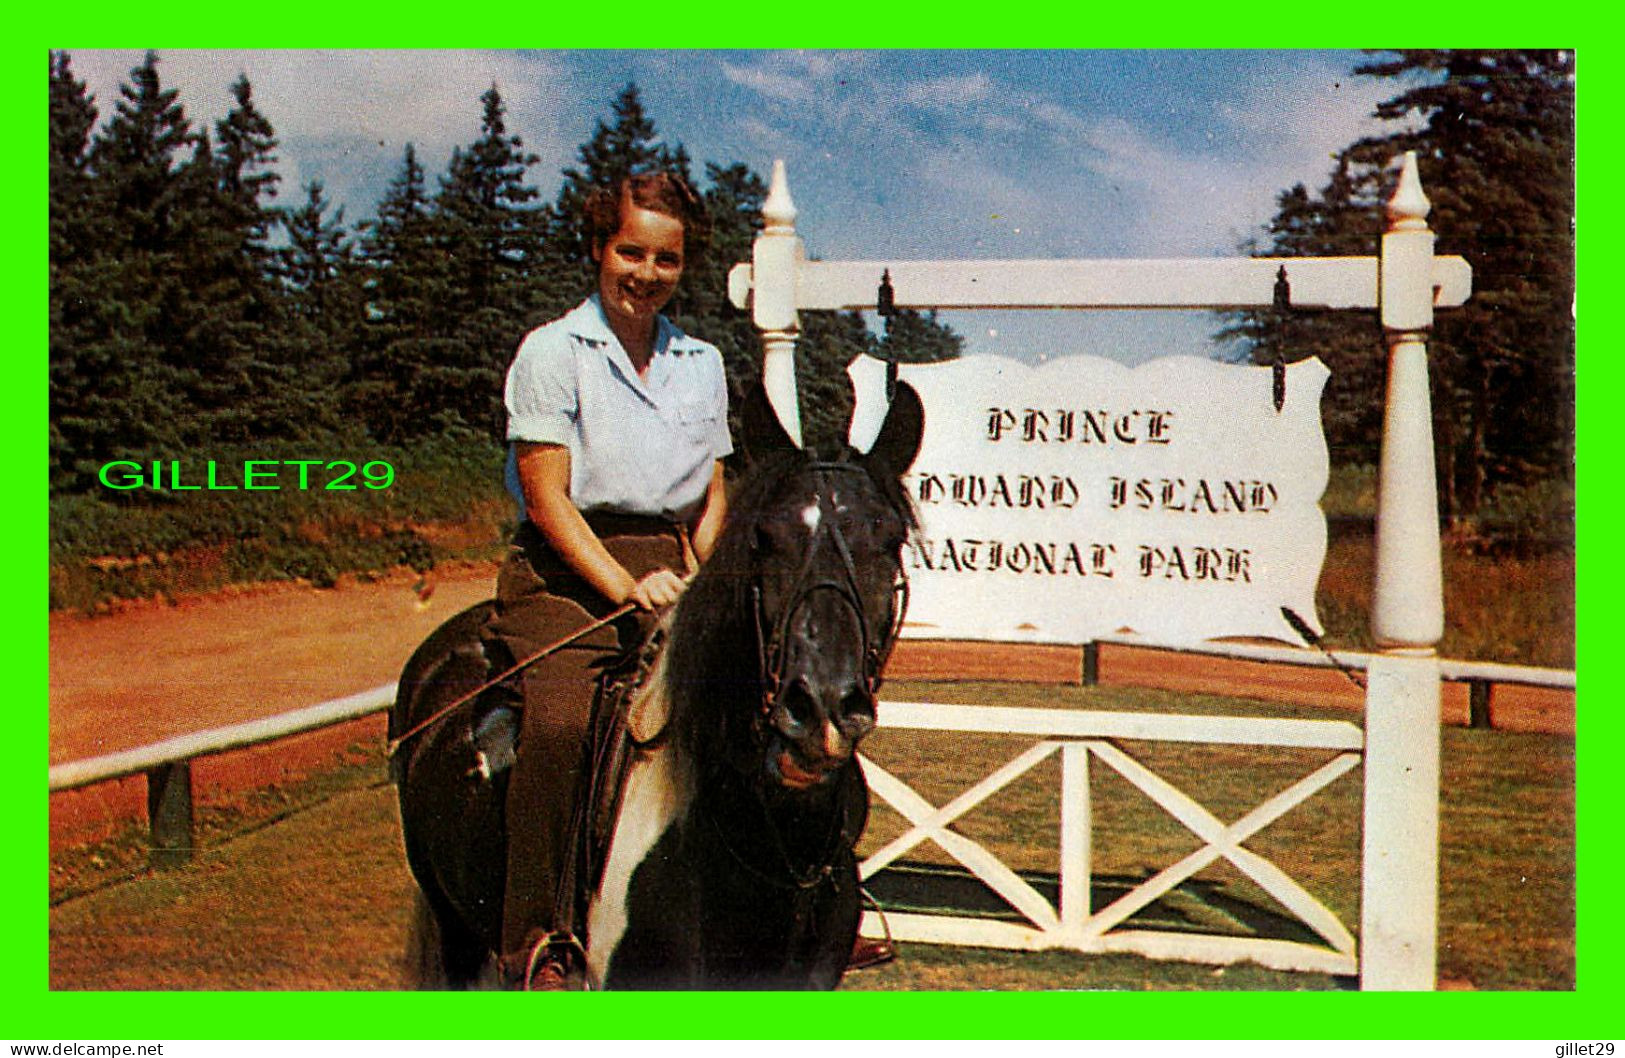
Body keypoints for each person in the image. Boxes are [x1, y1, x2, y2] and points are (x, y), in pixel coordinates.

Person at [484, 170, 729, 989]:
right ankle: (536, 941)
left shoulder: (702, 362)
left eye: (666, 259)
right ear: (597, 248)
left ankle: (801, 903)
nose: (646, 274)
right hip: (565, 576)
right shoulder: (553, 352)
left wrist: (702, 573)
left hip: (672, 567)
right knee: (559, 722)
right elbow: (548, 499)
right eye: (630, 252)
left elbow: (710, 494)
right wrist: (627, 588)